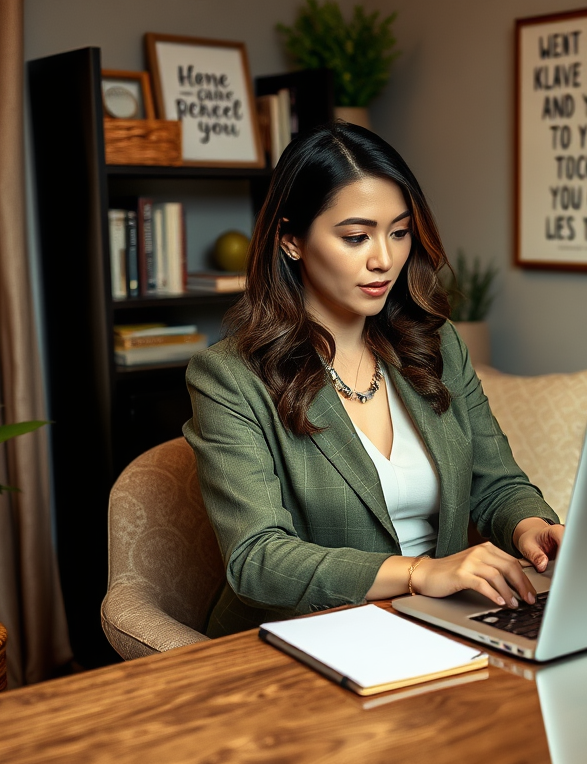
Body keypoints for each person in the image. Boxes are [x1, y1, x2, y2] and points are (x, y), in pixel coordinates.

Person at [184, 121, 564, 637]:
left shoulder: (438, 343)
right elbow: (257, 559)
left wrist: (533, 528)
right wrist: (421, 573)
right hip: (307, 634)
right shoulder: (230, 377)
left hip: (441, 620)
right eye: (356, 237)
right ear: (291, 240)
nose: (384, 259)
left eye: (399, 232)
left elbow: (495, 483)